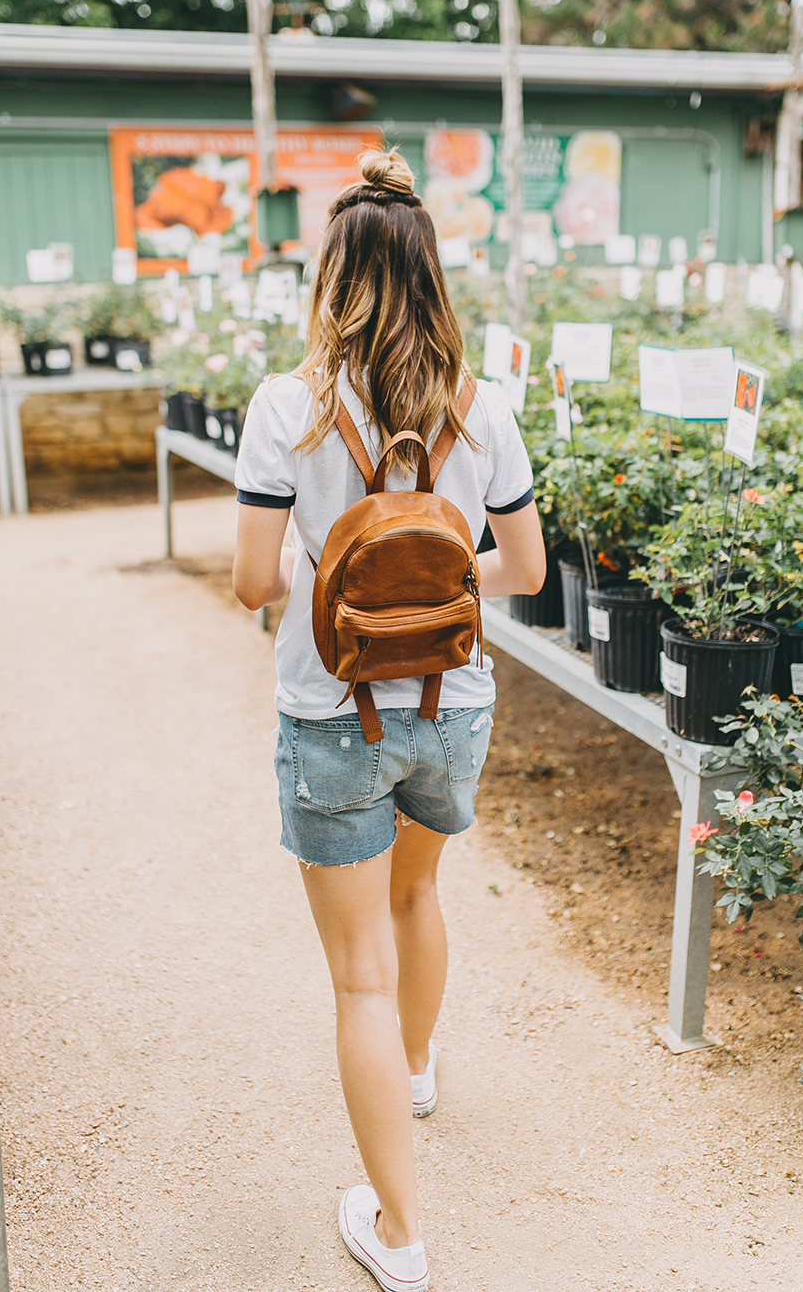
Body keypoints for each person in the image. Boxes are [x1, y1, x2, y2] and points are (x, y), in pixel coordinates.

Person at [232, 149, 545, 1292]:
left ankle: (402, 1238)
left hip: (331, 714)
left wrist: (345, 566)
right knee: (420, 894)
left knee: (355, 972)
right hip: (456, 710)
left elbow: (253, 583)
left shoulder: (288, 408)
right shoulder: (485, 409)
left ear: (334, 277)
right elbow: (525, 569)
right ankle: (416, 1068)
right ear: (430, 276)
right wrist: (438, 565)